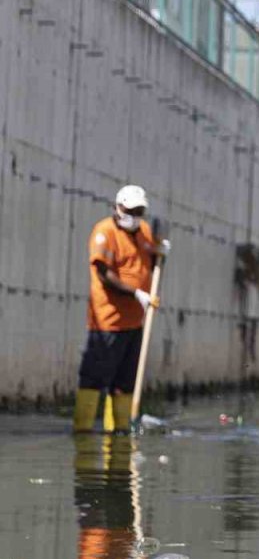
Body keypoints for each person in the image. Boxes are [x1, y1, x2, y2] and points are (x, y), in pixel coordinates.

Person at [73, 185, 168, 433]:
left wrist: (160, 250)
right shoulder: (104, 233)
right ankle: (83, 430)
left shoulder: (143, 231)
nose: (135, 216)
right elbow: (104, 275)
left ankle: (119, 430)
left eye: (139, 211)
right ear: (118, 207)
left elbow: (151, 251)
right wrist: (137, 293)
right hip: (108, 322)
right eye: (131, 210)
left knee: (124, 382)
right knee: (94, 379)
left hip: (135, 323)